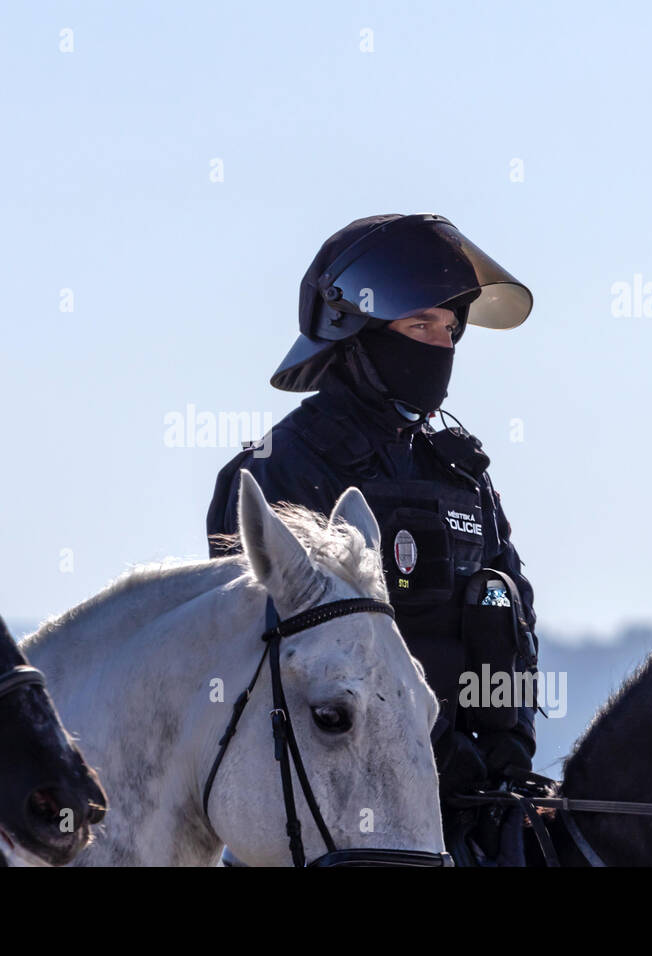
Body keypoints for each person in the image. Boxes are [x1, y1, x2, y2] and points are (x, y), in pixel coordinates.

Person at [206, 213, 539, 865]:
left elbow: (513, 611)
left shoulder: (462, 471)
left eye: (450, 331)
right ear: (353, 333)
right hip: (340, 820)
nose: (439, 347)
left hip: (480, 807)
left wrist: (513, 739)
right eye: (420, 327)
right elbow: (287, 661)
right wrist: (433, 747)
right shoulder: (278, 468)